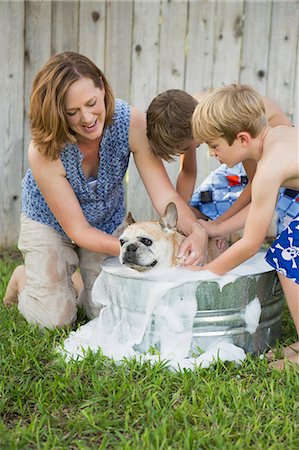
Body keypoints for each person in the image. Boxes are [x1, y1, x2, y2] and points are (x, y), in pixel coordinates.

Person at [3, 52, 208, 329]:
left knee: (105, 310)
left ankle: (74, 281)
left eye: (91, 103)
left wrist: (196, 231)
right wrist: (139, 248)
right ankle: (24, 277)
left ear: (101, 86)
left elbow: (165, 196)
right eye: (72, 112)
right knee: (55, 320)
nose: (87, 118)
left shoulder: (130, 123)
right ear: (55, 112)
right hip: (50, 223)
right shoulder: (43, 151)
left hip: (105, 220)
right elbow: (79, 232)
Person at [188, 83, 299, 369]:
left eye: (214, 146)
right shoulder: (280, 137)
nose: (212, 154)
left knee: (287, 253)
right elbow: (257, 209)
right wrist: (216, 228)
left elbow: (251, 242)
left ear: (241, 139)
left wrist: (206, 273)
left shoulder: (270, 167)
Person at [146, 89, 295, 238]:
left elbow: (255, 184)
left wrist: (220, 225)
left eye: (187, 148)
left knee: (286, 233)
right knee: (200, 204)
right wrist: (179, 218)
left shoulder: (230, 124)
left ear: (194, 130)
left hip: (283, 166)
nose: (186, 152)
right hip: (248, 163)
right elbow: (188, 172)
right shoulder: (185, 113)